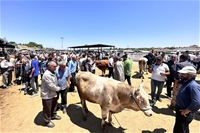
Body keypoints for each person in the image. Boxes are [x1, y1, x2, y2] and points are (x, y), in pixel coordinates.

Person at [173, 66, 200, 133]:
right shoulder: (186, 82)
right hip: (180, 110)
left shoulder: (192, 86)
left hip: (185, 112)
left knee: (180, 130)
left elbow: (197, 102)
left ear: (190, 75)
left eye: (183, 74)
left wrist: (187, 110)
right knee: (182, 128)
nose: (181, 75)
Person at [41, 61, 61, 128]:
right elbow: (51, 86)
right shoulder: (46, 75)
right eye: (54, 66)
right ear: (49, 67)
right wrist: (58, 88)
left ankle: (53, 115)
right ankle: (47, 121)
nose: (56, 68)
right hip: (47, 94)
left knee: (54, 105)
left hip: (53, 93)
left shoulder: (53, 72)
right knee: (47, 108)